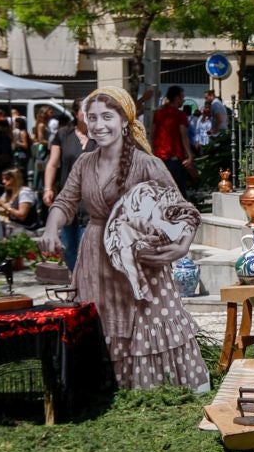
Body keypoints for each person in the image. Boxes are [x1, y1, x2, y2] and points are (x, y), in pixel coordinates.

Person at [38, 88, 208, 391]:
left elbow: (183, 212)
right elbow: (65, 202)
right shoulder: (84, 164)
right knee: (101, 320)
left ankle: (149, 389)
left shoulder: (146, 164)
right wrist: (51, 227)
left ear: (125, 121)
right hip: (95, 257)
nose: (99, 125)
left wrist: (179, 247)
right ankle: (104, 387)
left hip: (140, 261)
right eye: (92, 118)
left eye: (107, 117)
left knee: (145, 320)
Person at [43, 113, 89, 268]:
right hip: (69, 198)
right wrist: (48, 188)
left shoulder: (101, 135)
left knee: (88, 247)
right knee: (69, 247)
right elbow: (52, 163)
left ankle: (85, 286)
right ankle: (74, 281)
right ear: (77, 113)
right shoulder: (64, 135)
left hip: (92, 200)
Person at [149, 85, 194, 192]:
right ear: (177, 98)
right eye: (182, 97)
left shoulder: (158, 114)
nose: (183, 100)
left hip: (159, 158)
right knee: (178, 191)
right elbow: (184, 136)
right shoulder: (180, 115)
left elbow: (152, 133)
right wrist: (190, 155)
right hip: (174, 159)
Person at [0, 167, 38, 236]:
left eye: (7, 179)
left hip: (25, 231)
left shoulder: (25, 192)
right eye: (3, 179)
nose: (3, 182)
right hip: (11, 228)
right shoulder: (8, 193)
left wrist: (3, 205)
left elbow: (22, 215)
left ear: (16, 180)